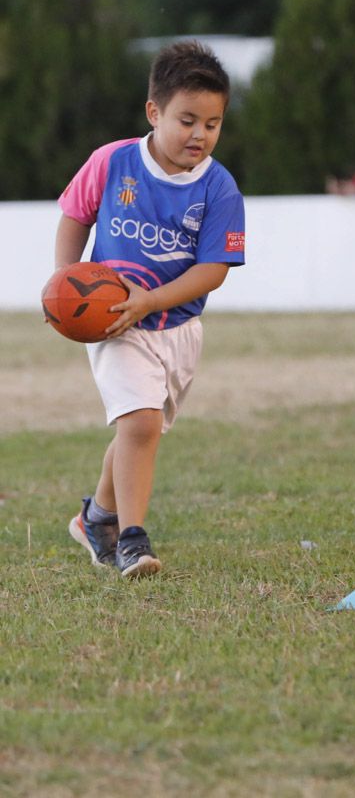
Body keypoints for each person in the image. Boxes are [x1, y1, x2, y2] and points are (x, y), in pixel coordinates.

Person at [55, 40, 246, 576]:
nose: (200, 135)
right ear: (154, 112)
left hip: (177, 326)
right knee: (138, 423)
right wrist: (64, 281)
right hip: (116, 322)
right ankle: (132, 539)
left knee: (140, 429)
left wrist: (154, 301)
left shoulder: (219, 188)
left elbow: (214, 269)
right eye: (187, 120)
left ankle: (96, 517)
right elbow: (75, 215)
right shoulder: (113, 162)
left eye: (213, 124)